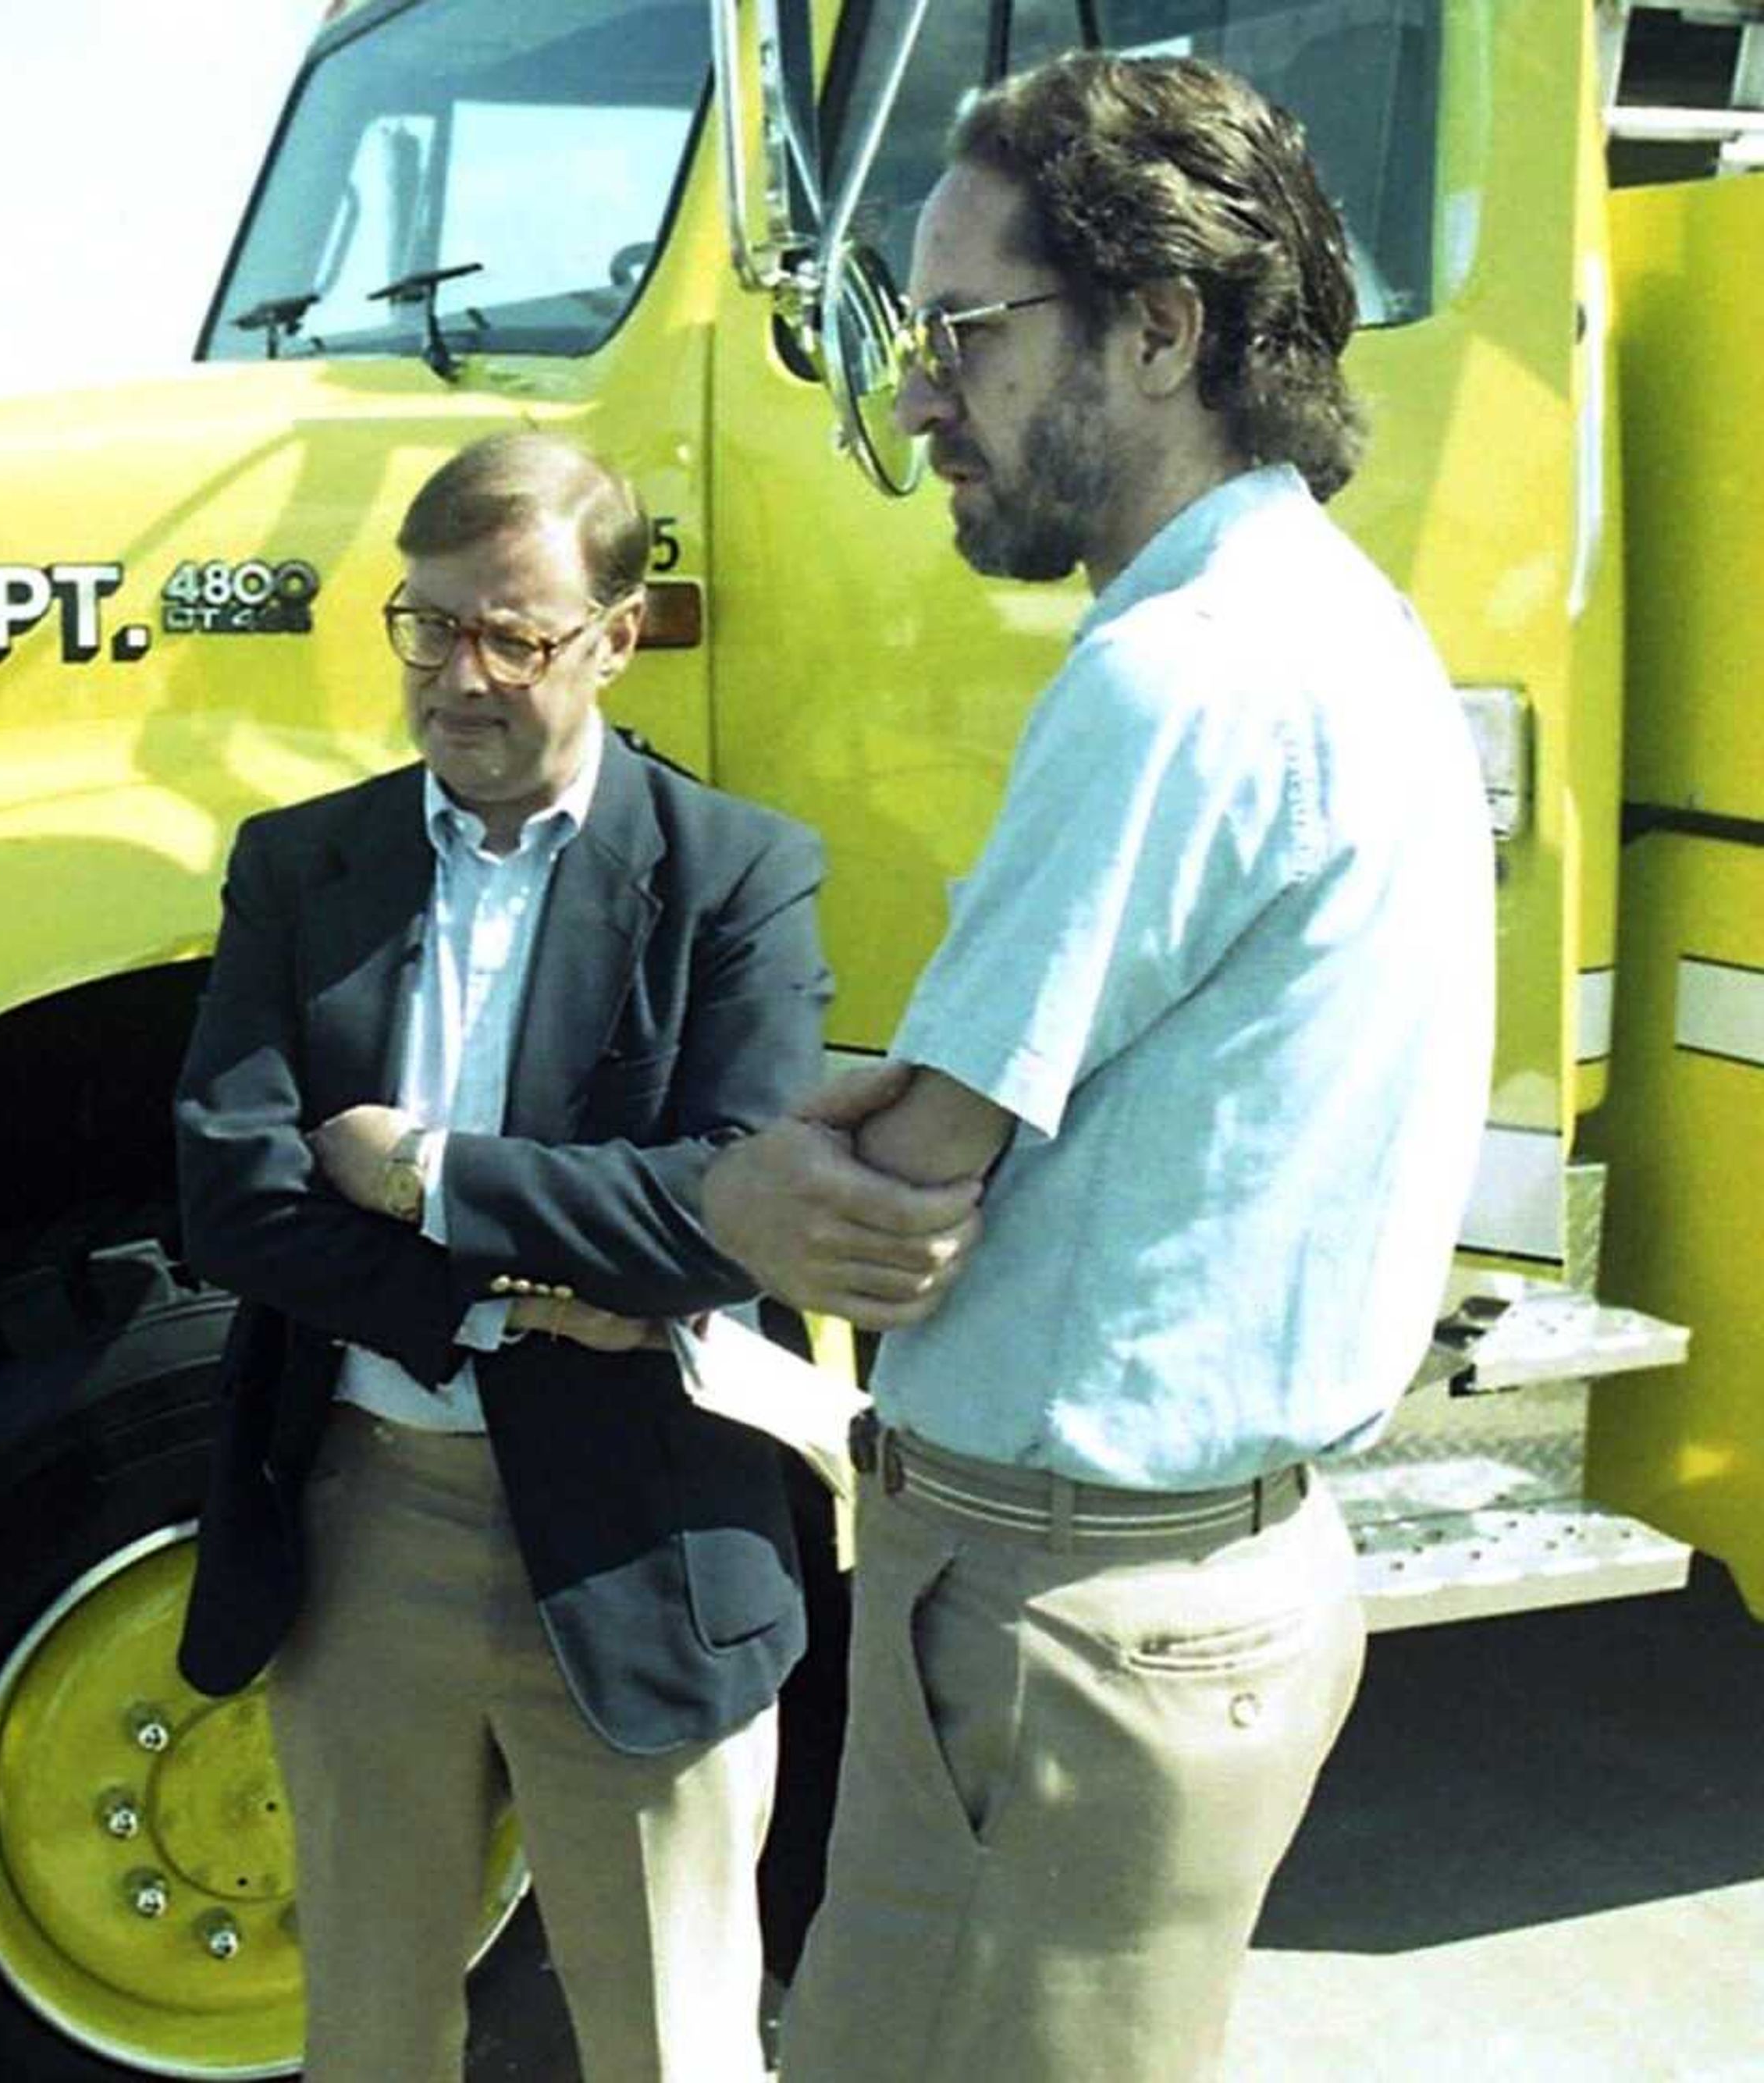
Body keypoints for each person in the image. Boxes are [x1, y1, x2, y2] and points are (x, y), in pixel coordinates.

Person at [703, 52, 1495, 2082]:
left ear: (1159, 328)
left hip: (1070, 1617)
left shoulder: (1177, 675)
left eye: (960, 328)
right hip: (1188, 1586)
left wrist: (695, 1198)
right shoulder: (1331, 617)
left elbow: (892, 1203)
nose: (914, 393)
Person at [171, 430, 980, 2081]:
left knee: (669, 2044)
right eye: (430, 625)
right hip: (362, 1526)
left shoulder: (736, 877)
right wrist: (496, 1297)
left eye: (514, 636)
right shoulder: (303, 867)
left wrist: (422, 1170)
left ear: (618, 636)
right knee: (369, 2039)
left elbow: (718, 1213)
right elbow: (234, 1199)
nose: (459, 678)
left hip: (638, 1537)